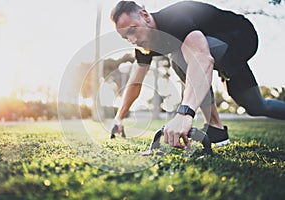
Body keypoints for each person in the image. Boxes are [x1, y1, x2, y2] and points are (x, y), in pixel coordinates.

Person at [110, 0, 285, 149]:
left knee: (179, 56)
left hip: (240, 37)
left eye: (132, 30)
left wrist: (185, 113)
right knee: (257, 107)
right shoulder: (144, 45)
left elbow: (202, 58)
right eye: (126, 38)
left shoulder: (174, 19)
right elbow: (135, 83)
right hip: (219, 54)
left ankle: (214, 125)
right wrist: (118, 118)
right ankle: (217, 129)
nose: (132, 40)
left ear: (145, 16)